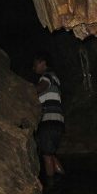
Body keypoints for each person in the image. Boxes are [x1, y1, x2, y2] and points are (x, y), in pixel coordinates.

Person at [32, 52, 65, 186]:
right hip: (57, 121)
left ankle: (51, 187)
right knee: (50, 154)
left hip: (49, 121)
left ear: (43, 63)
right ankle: (63, 182)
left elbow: (42, 87)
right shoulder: (55, 78)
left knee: (46, 155)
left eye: (35, 65)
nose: (33, 68)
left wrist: (26, 91)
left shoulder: (47, 76)